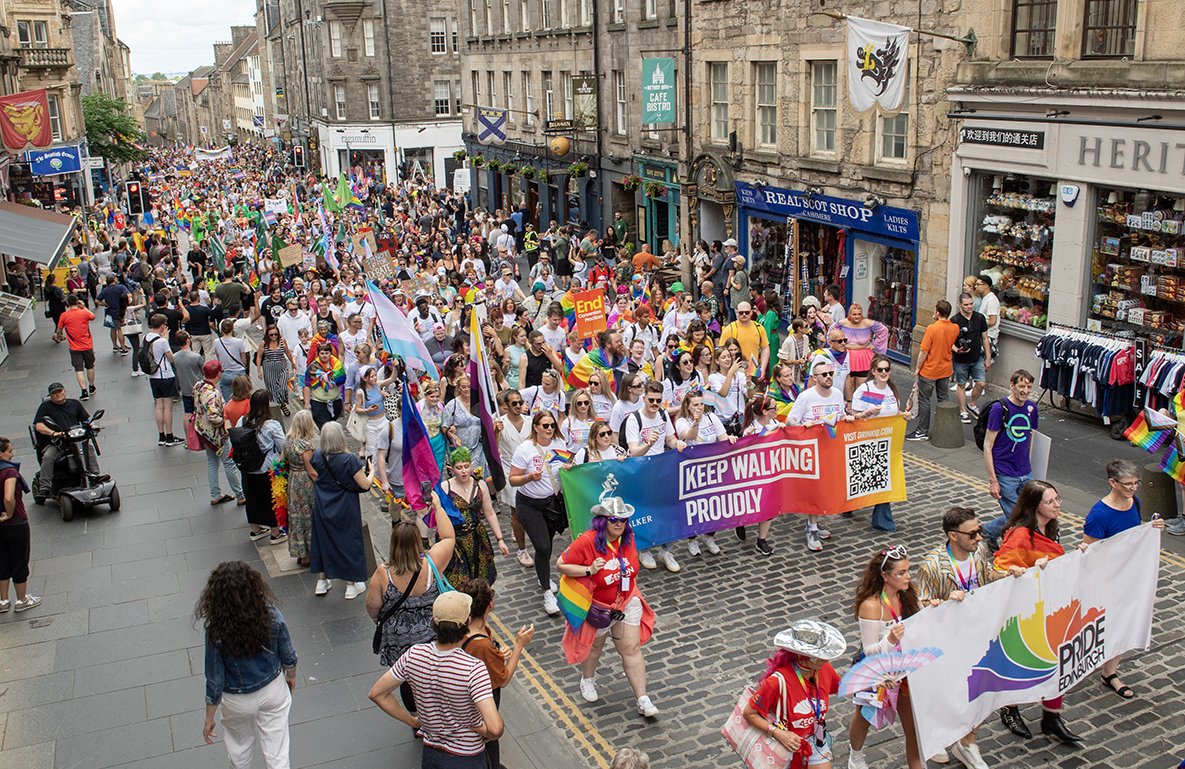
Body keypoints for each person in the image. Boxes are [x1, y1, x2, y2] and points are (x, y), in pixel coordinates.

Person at [992, 480, 1085, 744]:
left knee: (1055, 662)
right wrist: (1031, 572)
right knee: (1021, 663)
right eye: (1050, 501)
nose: (1057, 505)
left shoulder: (1049, 528)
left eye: (1058, 499)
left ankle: (1052, 717)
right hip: (1024, 613)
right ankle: (1010, 710)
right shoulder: (1019, 535)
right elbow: (999, 573)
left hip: (1050, 607)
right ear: (1034, 506)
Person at [368, 592, 503, 769]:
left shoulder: (414, 655)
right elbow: (495, 728)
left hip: (431, 755)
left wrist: (413, 721)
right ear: (468, 623)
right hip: (467, 757)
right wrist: (485, 731)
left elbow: (377, 694)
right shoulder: (473, 668)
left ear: (434, 623)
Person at [556, 496, 660, 717]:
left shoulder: (628, 539)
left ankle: (642, 699)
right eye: (613, 519)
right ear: (603, 521)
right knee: (595, 647)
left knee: (631, 649)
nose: (619, 523)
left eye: (623, 519)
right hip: (598, 607)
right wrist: (589, 571)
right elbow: (561, 565)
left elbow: (632, 572)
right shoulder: (587, 541)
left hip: (626, 602)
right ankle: (588, 680)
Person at [914, 507, 999, 769]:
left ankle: (967, 742)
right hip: (949, 641)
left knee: (983, 689)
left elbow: (989, 576)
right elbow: (920, 606)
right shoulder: (932, 565)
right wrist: (942, 602)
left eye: (980, 530)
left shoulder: (981, 551)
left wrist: (1012, 573)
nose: (978, 537)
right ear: (952, 535)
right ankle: (938, 737)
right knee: (950, 694)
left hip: (979, 632)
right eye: (972, 533)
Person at [198, 561, 296, 768]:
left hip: (237, 699)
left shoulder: (216, 630)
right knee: (277, 752)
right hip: (272, 689)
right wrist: (290, 676)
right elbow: (288, 654)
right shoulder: (270, 614)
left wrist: (209, 717)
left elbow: (214, 679)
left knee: (239, 750)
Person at [1083, 459, 1165, 700]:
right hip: (1107, 579)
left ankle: (1110, 672)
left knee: (1123, 623)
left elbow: (1133, 535)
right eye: (1128, 484)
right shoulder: (1099, 515)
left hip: (1129, 575)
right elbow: (1090, 553)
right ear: (1112, 482)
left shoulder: (1134, 502)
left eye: (1136, 483)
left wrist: (1151, 529)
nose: (1133, 488)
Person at [847, 547, 928, 769]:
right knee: (864, 715)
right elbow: (869, 650)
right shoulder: (871, 606)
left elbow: (922, 621)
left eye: (908, 571)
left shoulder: (909, 595)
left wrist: (936, 606)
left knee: (912, 727)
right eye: (901, 573)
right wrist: (890, 640)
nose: (908, 576)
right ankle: (856, 755)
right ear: (885, 576)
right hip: (878, 672)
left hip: (905, 671)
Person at [367, 515, 457, 711]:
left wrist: (378, 620)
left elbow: (372, 606)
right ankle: (440, 710)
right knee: (437, 673)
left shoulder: (383, 573)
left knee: (407, 678)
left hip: (400, 641)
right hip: (431, 634)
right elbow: (449, 538)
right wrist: (438, 507)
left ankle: (417, 716)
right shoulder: (432, 563)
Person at [742, 620, 848, 769]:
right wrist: (778, 734)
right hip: (783, 744)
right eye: (822, 656)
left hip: (815, 740)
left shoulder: (824, 668)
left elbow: (841, 687)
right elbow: (749, 713)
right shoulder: (777, 681)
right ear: (806, 657)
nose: (827, 660)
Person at [458, 578, 534, 769]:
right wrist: (518, 646)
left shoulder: (464, 630)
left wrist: (497, 654)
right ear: (490, 605)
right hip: (481, 716)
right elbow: (503, 678)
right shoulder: (481, 644)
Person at [786, 359, 854, 552]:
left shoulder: (837, 394)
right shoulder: (806, 397)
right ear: (815, 378)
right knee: (814, 490)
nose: (829, 377)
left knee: (826, 489)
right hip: (812, 452)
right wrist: (802, 426)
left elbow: (837, 417)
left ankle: (813, 523)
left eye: (831, 374)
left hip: (831, 450)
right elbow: (791, 420)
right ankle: (812, 528)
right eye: (824, 375)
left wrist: (845, 418)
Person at [509, 411, 568, 615]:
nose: (550, 429)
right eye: (545, 425)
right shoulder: (524, 450)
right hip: (529, 505)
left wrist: (569, 467)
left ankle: (542, 574)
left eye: (552, 425)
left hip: (551, 505)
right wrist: (528, 477)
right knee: (542, 546)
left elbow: (564, 468)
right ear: (535, 427)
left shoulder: (559, 444)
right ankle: (547, 593)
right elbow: (512, 479)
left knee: (548, 544)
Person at [625, 380, 687, 571]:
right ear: (643, 398)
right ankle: (645, 549)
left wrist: (677, 443)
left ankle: (667, 550)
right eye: (651, 400)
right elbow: (634, 452)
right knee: (645, 512)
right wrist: (648, 444)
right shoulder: (634, 419)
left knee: (667, 511)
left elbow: (670, 437)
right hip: (641, 472)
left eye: (658, 400)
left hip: (661, 470)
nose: (654, 403)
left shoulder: (662, 415)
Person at [310, 422, 372, 599]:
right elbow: (365, 485)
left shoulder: (317, 456)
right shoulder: (349, 459)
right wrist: (372, 471)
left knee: (322, 540)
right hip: (345, 506)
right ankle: (351, 585)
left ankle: (321, 582)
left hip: (322, 504)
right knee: (348, 542)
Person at [432, 447, 508, 589]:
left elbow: (490, 513)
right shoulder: (445, 488)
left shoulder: (480, 485)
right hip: (455, 541)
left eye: (466, 466)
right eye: (459, 467)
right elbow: (437, 516)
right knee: (460, 582)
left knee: (481, 581)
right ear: (451, 469)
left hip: (477, 538)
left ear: (471, 465)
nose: (464, 471)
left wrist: (500, 539)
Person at [982, 370, 1039, 544]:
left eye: (1029, 387)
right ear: (1012, 386)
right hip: (1005, 473)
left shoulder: (1032, 408)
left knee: (1027, 512)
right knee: (1020, 518)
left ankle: (988, 531)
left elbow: (1031, 438)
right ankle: (1017, 549)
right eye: (1022, 386)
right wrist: (993, 480)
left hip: (1025, 472)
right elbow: (988, 445)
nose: (1026, 390)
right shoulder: (1000, 408)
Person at [851, 354, 904, 532]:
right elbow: (854, 416)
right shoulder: (865, 390)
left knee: (883, 480)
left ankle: (882, 520)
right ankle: (848, 504)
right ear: (873, 371)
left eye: (886, 369)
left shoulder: (892, 389)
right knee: (861, 476)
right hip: (866, 441)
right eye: (880, 369)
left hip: (887, 442)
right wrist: (868, 413)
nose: (883, 372)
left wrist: (904, 415)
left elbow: (894, 411)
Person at [905, 300, 959, 442]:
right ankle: (945, 429)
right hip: (945, 369)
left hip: (929, 370)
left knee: (925, 400)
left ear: (937, 312)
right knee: (943, 399)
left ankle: (922, 431)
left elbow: (924, 351)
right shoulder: (955, 328)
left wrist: (917, 368)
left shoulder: (932, 328)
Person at [194, 361, 245, 507]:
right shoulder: (213, 393)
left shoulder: (199, 386)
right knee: (228, 463)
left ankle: (215, 494)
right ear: (218, 374)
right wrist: (225, 423)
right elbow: (213, 417)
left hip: (203, 432)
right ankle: (240, 495)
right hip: (217, 436)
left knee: (212, 462)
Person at [0, 436, 40, 613]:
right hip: (15, 522)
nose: (12, 454)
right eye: (9, 451)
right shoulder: (9, 472)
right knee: (19, 560)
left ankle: (3, 601)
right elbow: (9, 497)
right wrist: (9, 513)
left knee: (2, 561)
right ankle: (22, 600)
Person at [283, 410, 319, 569]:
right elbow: (311, 471)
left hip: (293, 481)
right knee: (308, 517)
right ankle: (309, 555)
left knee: (296, 517)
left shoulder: (287, 442)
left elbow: (281, 462)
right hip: (305, 483)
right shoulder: (306, 445)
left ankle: (300, 553)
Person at [144, 313, 185, 446]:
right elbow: (171, 358)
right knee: (167, 407)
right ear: (162, 326)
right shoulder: (162, 341)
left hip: (153, 376)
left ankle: (161, 435)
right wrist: (165, 339)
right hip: (165, 376)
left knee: (159, 406)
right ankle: (169, 435)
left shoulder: (146, 337)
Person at [951, 292, 992, 424]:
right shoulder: (955, 320)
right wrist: (957, 350)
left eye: (971, 304)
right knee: (961, 384)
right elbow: (949, 341)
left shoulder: (979, 318)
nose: (970, 307)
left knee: (981, 383)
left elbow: (985, 338)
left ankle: (972, 404)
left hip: (977, 357)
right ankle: (963, 409)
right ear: (960, 305)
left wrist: (987, 357)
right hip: (960, 359)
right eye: (966, 304)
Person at [54, 294, 97, 401]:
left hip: (74, 347)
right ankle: (91, 386)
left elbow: (59, 330)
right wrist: (84, 307)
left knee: (79, 369)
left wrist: (57, 336)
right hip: (87, 345)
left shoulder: (64, 315)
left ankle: (84, 391)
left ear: (67, 303)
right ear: (77, 302)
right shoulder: (84, 313)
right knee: (90, 366)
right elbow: (93, 317)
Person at [719, 301, 770, 380]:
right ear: (737, 313)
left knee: (751, 391)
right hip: (734, 371)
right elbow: (721, 351)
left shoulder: (759, 328)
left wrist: (762, 369)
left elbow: (765, 348)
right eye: (741, 313)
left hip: (753, 371)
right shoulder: (730, 329)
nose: (744, 315)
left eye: (746, 312)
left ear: (751, 313)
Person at [303, 343, 346, 430]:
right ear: (318, 354)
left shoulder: (337, 365)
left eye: (326, 353)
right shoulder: (313, 368)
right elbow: (307, 385)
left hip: (335, 401)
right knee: (325, 428)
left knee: (332, 425)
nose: (324, 356)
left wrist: (334, 382)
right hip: (318, 402)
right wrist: (307, 403)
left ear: (330, 353)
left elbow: (343, 378)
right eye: (322, 353)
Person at [256, 325, 295, 416]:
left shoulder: (282, 341)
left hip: (282, 366)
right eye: (271, 335)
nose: (274, 337)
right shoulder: (264, 343)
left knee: (282, 387)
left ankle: (281, 402)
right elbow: (259, 356)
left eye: (275, 334)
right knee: (272, 390)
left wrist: (293, 363)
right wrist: (259, 370)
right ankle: (279, 406)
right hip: (269, 367)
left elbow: (288, 353)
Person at [95, 274, 131, 356]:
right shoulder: (121, 287)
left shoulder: (105, 290)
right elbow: (128, 295)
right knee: (120, 329)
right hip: (120, 310)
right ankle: (123, 348)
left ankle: (115, 346)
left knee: (113, 328)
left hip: (111, 310)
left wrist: (105, 304)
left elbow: (97, 301)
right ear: (114, 279)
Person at [216, 318, 250, 400]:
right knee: (242, 398)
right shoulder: (239, 341)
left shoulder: (216, 342)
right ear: (232, 328)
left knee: (227, 400)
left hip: (225, 373)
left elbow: (218, 357)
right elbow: (243, 360)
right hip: (238, 373)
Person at [975, 275, 1001, 361]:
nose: (976, 287)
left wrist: (978, 325)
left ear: (986, 286)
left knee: (981, 363)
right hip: (983, 335)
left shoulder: (992, 300)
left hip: (989, 336)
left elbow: (993, 321)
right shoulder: (985, 298)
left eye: (978, 284)